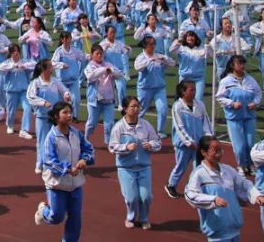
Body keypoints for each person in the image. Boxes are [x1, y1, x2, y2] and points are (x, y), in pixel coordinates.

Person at [185, 135, 264, 242]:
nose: (219, 154)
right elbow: (190, 195)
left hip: (234, 230)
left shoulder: (228, 170)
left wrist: (257, 196)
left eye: (220, 150)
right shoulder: (199, 174)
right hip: (217, 234)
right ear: (203, 152)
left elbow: (244, 184)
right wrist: (213, 200)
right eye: (215, 151)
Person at [34, 101, 94, 242]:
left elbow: (89, 149)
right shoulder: (51, 138)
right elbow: (49, 161)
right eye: (65, 112)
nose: (69, 115)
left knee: (75, 219)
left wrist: (85, 159)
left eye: (70, 112)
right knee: (57, 217)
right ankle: (43, 211)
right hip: (57, 185)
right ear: (56, 116)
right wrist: (67, 169)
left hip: (76, 184)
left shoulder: (77, 134)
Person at [109, 96, 162, 229]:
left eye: (137, 106)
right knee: (131, 198)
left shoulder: (145, 125)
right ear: (125, 109)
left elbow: (157, 142)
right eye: (133, 106)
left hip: (144, 167)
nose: (136, 108)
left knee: (146, 197)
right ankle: (131, 217)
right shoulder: (119, 127)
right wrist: (125, 147)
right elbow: (112, 146)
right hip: (126, 168)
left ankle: (144, 218)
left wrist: (150, 145)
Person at [216, 55, 262, 176]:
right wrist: (231, 103)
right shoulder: (226, 81)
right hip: (234, 118)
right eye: (239, 63)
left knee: (250, 144)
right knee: (239, 146)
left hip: (249, 116)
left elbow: (258, 93)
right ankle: (241, 165)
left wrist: (255, 103)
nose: (242, 66)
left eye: (243, 63)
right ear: (232, 65)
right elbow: (220, 97)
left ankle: (251, 165)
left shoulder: (250, 79)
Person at [166, 78, 213, 198]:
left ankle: (193, 188)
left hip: (198, 143)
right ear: (183, 91)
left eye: (195, 90)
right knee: (181, 165)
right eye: (191, 90)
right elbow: (179, 127)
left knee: (198, 166)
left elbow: (206, 122)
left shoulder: (200, 105)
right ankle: (171, 185)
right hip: (183, 145)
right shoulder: (178, 107)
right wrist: (188, 142)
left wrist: (208, 137)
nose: (194, 92)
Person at [27, 59, 72, 174]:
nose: (52, 68)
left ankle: (55, 163)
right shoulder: (36, 83)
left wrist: (66, 95)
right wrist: (43, 102)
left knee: (57, 140)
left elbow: (64, 90)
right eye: (50, 67)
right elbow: (30, 97)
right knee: (42, 141)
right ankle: (40, 164)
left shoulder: (55, 81)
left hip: (55, 118)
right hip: (42, 117)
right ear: (44, 69)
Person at [134, 35, 176, 136]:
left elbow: (173, 63)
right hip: (145, 88)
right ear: (145, 45)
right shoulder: (140, 57)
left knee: (163, 109)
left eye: (154, 44)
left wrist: (165, 59)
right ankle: (135, 129)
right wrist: (149, 61)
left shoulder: (159, 56)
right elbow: (137, 68)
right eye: (151, 44)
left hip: (159, 88)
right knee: (140, 111)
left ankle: (160, 131)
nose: (153, 46)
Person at [84, 44, 122, 141]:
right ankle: (85, 138)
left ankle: (108, 142)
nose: (100, 56)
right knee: (92, 123)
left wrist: (112, 72)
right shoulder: (90, 66)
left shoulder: (108, 64)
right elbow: (90, 77)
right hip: (94, 101)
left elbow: (119, 74)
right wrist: (104, 70)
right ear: (92, 55)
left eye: (101, 54)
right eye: (97, 54)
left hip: (108, 99)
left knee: (109, 124)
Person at [0, 43, 33, 136]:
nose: (16, 53)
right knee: (11, 111)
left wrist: (25, 66)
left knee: (27, 108)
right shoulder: (7, 62)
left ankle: (24, 129)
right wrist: (13, 66)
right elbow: (0, 68)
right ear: (10, 53)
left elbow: (34, 64)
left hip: (24, 90)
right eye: (13, 51)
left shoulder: (24, 61)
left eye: (17, 51)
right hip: (11, 91)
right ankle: (10, 125)